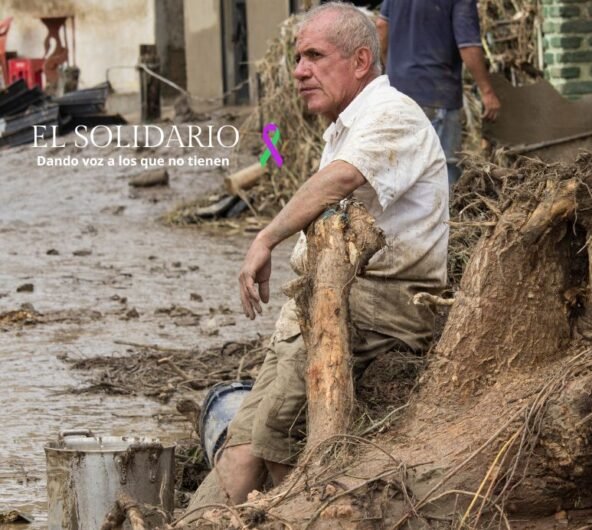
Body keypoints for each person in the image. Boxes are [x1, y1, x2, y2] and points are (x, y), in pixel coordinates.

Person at [185, 2, 449, 511]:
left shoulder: (392, 114)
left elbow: (342, 180)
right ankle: (197, 521)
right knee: (240, 441)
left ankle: (295, 516)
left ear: (360, 61)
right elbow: (302, 168)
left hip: (378, 303)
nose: (299, 70)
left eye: (314, 56)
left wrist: (266, 237)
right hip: (318, 299)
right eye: (297, 57)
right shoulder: (341, 126)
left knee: (273, 433)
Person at [376, 0, 501, 184]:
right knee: (441, 175)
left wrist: (392, 68)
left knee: (400, 171)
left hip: (396, 95)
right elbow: (467, 45)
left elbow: (381, 26)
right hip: (436, 95)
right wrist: (487, 91)